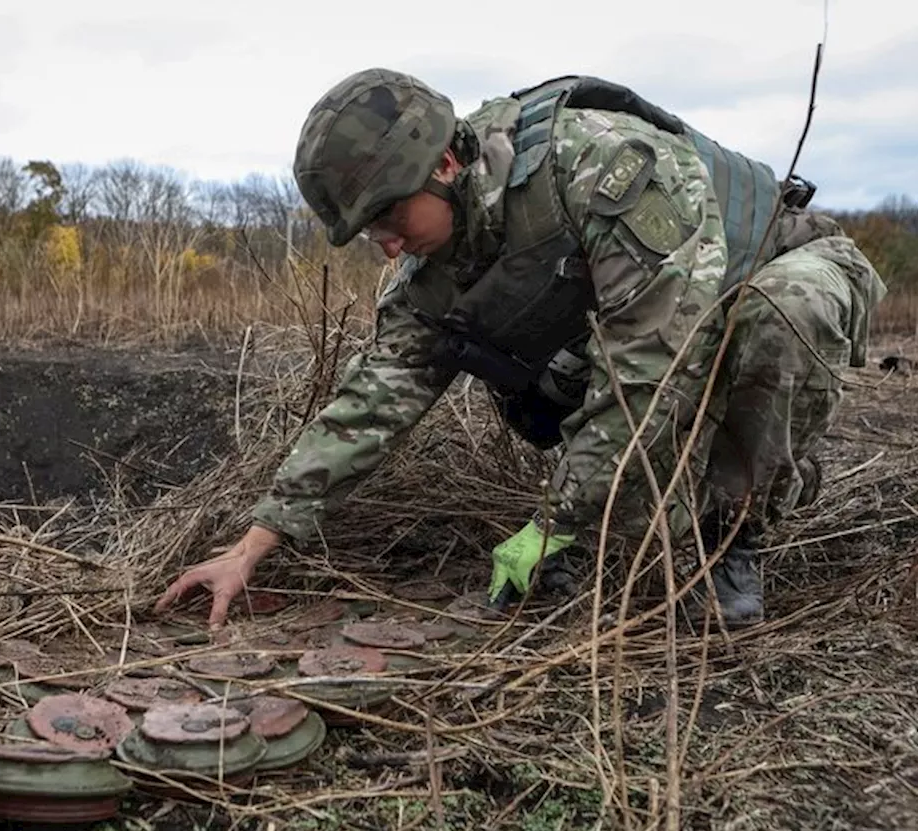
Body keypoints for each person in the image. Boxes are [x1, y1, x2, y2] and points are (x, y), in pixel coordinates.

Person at [155, 68, 888, 630]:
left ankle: (732, 534)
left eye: (386, 214)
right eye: (365, 230)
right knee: (554, 376)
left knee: (781, 314)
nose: (385, 243)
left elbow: (651, 374)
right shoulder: (430, 270)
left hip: (774, 270)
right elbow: (373, 400)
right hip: (662, 326)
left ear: (443, 165)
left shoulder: (603, 167)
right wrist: (255, 542)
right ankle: (642, 521)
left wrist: (554, 526)